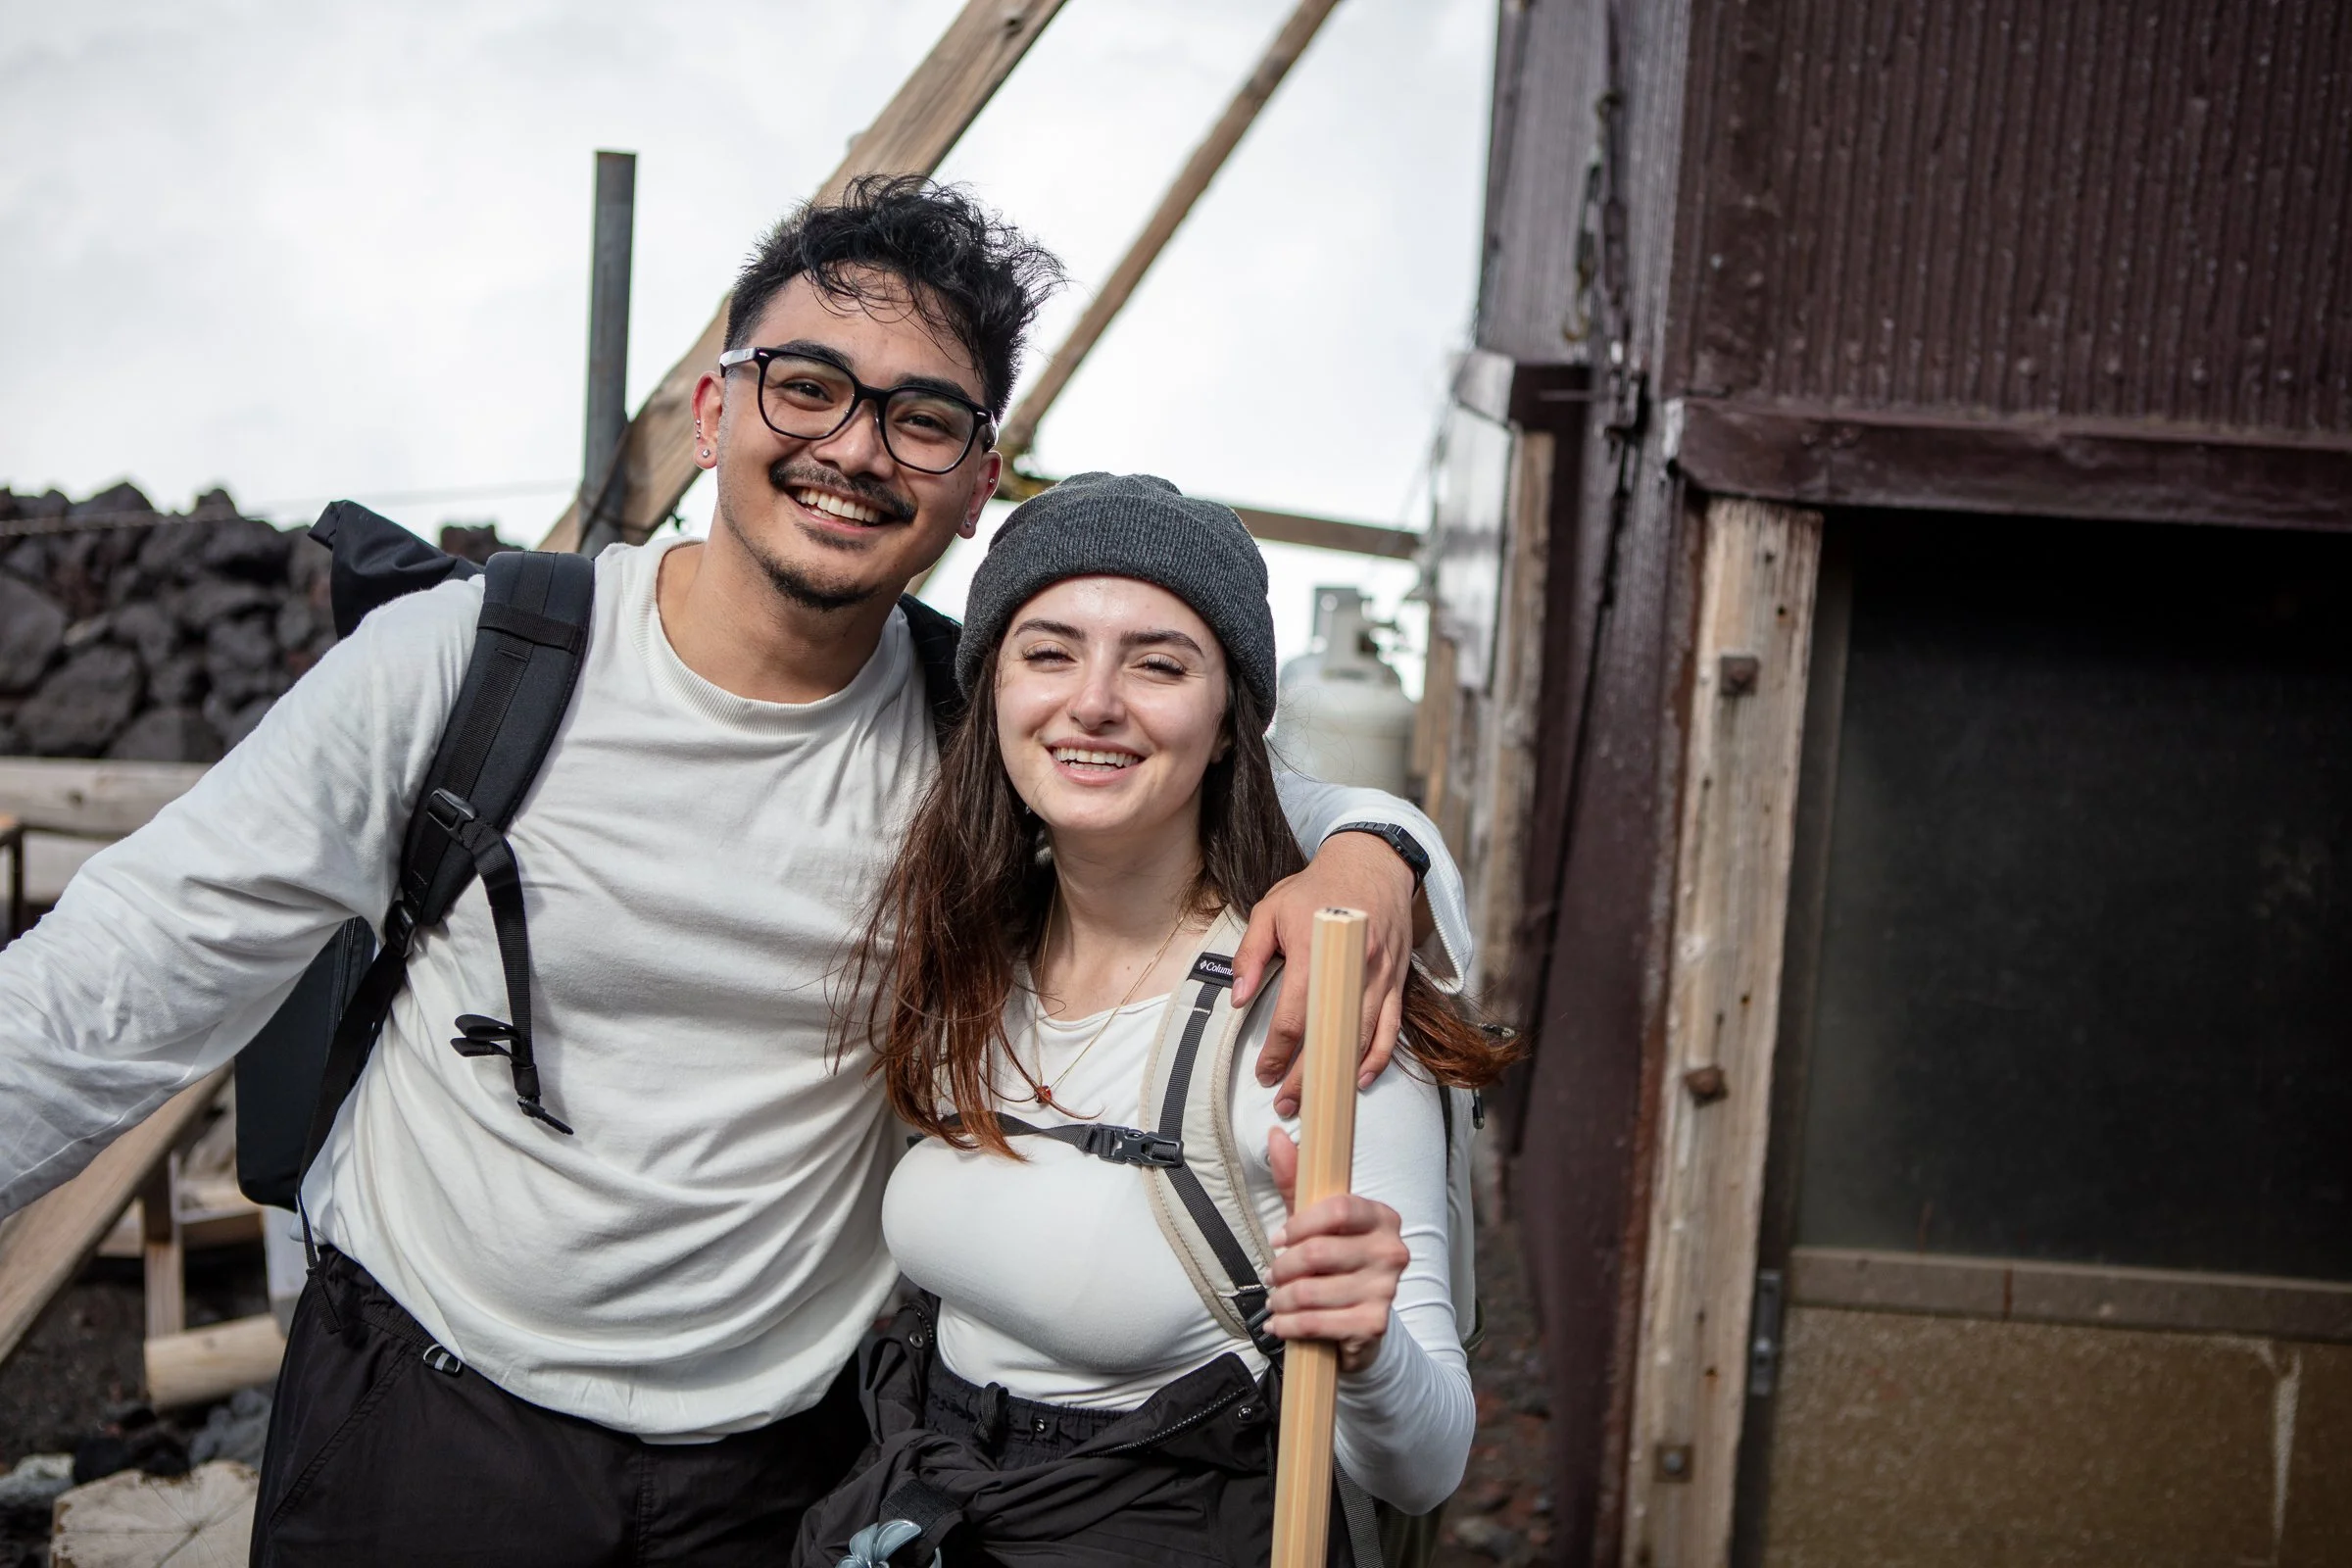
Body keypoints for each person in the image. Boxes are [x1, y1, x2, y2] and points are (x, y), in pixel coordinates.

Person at [0, 179, 1470, 1566]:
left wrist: (1376, 846)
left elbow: (1241, 773)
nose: (852, 447)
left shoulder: (975, 729)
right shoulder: (477, 665)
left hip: (780, 1469)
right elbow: (116, 977)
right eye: (808, 386)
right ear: (716, 409)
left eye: (922, 418)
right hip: (429, 1418)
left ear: (977, 484)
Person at [794, 473, 1518, 1567]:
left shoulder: (1309, 1008)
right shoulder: (968, 951)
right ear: (992, 690)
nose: (1093, 701)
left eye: (1158, 662)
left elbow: (1425, 1466)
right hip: (930, 1502)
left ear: (1233, 724)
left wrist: (1365, 1345)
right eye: (1048, 651)